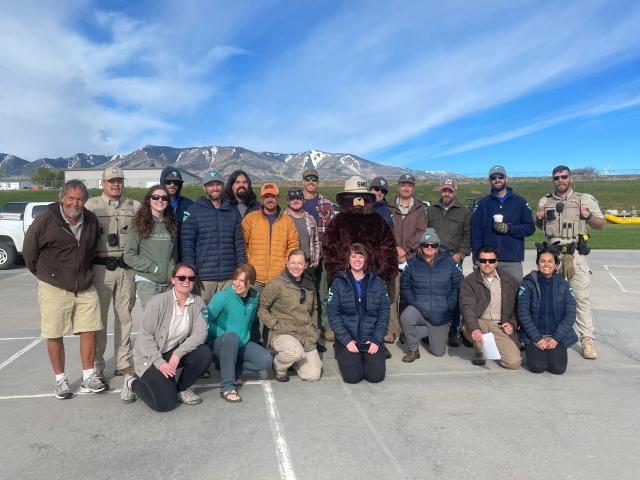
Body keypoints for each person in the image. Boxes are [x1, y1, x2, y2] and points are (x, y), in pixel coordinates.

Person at [23, 180, 106, 398]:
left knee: (90, 329)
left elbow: (92, 249)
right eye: (71, 198)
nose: (75, 203)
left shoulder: (91, 220)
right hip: (53, 286)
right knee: (54, 332)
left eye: (80, 199)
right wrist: (47, 276)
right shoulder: (45, 221)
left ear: (85, 200)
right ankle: (60, 381)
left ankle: (89, 376)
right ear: (62, 198)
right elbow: (29, 253)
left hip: (84, 285)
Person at [535, 165, 604, 360]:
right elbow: (538, 225)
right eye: (556, 177)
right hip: (552, 256)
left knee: (581, 299)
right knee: (550, 297)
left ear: (571, 179)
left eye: (564, 177)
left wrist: (588, 216)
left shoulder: (585, 199)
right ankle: (552, 335)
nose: (560, 180)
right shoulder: (545, 201)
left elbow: (601, 224)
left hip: (576, 256)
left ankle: (587, 340)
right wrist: (537, 217)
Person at [120, 263, 212, 410]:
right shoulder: (158, 302)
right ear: (173, 280)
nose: (186, 281)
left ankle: (182, 389)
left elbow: (201, 333)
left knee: (204, 353)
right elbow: (145, 336)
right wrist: (159, 362)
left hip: (171, 353)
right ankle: (132, 383)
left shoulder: (197, 302)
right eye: (181, 277)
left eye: (191, 278)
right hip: (149, 357)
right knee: (165, 404)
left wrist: (177, 355)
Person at [85, 166, 140, 382]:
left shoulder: (134, 206)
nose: (116, 184)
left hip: (126, 268)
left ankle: (123, 362)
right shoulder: (91, 206)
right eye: (112, 181)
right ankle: (98, 365)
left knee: (124, 317)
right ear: (103, 183)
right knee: (98, 319)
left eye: (119, 181)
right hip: (100, 268)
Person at [206, 264, 272, 403]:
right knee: (232, 338)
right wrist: (224, 334)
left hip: (241, 342)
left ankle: (231, 369)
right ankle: (227, 387)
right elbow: (205, 321)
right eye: (235, 279)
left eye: (241, 281)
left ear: (251, 284)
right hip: (219, 343)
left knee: (265, 360)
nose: (236, 283)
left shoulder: (254, 298)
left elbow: (252, 322)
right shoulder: (222, 296)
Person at [243, 182, 299, 344]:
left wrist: (286, 266)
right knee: (251, 312)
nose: (270, 199)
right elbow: (242, 243)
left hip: (277, 277)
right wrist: (249, 265)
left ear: (277, 197)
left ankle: (270, 343)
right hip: (255, 277)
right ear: (262, 198)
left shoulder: (287, 221)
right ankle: (253, 342)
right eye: (267, 196)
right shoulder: (250, 219)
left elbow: (293, 245)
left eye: (273, 196)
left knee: (274, 313)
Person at [181, 170, 247, 304]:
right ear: (204, 187)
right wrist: (192, 273)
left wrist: (241, 271)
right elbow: (187, 247)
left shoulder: (232, 211)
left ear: (222, 187)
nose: (215, 188)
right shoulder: (194, 211)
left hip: (229, 277)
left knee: (225, 316)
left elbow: (239, 244)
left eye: (218, 184)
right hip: (204, 279)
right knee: (202, 317)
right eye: (211, 185)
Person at [328, 244, 389, 383]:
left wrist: (376, 339)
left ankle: (367, 356)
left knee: (375, 377)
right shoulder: (338, 282)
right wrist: (346, 340)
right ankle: (346, 353)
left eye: (361, 256)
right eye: (353, 256)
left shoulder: (377, 282)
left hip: (370, 337)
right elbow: (333, 314)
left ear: (366, 260)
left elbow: (384, 312)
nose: (357, 260)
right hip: (348, 338)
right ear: (348, 259)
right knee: (353, 378)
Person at [400, 228, 463, 362]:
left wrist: (450, 304)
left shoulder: (449, 262)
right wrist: (413, 301)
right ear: (421, 246)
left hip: (441, 312)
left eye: (433, 245)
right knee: (406, 317)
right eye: (425, 245)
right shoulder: (413, 263)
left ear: (437, 247)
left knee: (438, 352)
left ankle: (423, 332)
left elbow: (458, 285)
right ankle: (413, 350)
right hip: (420, 307)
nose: (429, 247)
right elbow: (404, 285)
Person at [259, 250, 321, 382]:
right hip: (283, 332)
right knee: (294, 353)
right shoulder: (276, 284)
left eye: (300, 263)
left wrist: (314, 329)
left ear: (306, 265)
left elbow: (314, 309)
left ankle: (292, 360)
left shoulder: (310, 284)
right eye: (292, 263)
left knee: (313, 375)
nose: (296, 266)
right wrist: (274, 324)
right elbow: (262, 308)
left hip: (305, 334)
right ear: (286, 263)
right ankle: (279, 366)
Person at [517, 244, 577, 374]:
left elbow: (571, 314)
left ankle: (553, 349)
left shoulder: (563, 284)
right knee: (538, 367)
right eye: (542, 261)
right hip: (534, 336)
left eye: (550, 261)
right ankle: (533, 349)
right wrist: (537, 338)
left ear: (556, 265)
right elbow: (523, 313)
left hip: (556, 335)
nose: (546, 265)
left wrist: (556, 338)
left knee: (558, 369)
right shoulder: (528, 283)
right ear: (538, 263)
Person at [459, 245, 521, 369]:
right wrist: (474, 327)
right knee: (471, 328)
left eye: (491, 261)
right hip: (479, 323)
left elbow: (518, 308)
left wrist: (513, 324)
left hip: (500, 326)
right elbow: (467, 308)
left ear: (496, 261)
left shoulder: (510, 281)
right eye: (483, 261)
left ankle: (492, 348)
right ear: (478, 261)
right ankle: (479, 350)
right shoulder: (469, 282)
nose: (487, 264)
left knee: (513, 363)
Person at [426, 178, 472, 346]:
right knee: (432, 295)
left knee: (454, 296)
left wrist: (460, 254)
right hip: (434, 259)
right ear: (440, 190)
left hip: (453, 259)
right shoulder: (431, 210)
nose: (447, 193)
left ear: (455, 192)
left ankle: (453, 332)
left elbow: (468, 236)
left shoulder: (465, 212)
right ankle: (430, 330)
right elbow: (426, 234)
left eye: (450, 190)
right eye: (444, 190)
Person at [471, 165, 535, 282]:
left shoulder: (520, 202)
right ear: (490, 180)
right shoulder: (482, 204)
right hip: (487, 259)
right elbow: (475, 232)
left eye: (500, 177)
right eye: (493, 177)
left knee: (515, 296)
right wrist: (476, 257)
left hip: (512, 259)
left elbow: (530, 228)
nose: (497, 180)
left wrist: (509, 228)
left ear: (506, 178)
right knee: (486, 296)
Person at [123, 185, 177, 308]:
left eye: (164, 198)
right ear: (149, 200)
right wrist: (153, 268)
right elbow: (129, 255)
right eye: (156, 197)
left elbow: (174, 254)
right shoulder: (138, 224)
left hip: (168, 283)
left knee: (168, 321)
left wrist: (172, 271)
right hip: (148, 282)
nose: (160, 200)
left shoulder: (172, 224)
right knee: (153, 321)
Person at [301, 167, 336, 342]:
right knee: (303, 293)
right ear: (303, 181)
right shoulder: (296, 201)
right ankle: (305, 326)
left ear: (318, 182)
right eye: (308, 179)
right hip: (301, 256)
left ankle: (324, 326)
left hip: (321, 254)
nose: (311, 182)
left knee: (322, 293)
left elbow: (331, 231)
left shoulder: (326, 204)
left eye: (314, 179)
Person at [369, 176, 399, 345]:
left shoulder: (388, 211)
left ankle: (389, 329)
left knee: (386, 296)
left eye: (382, 190)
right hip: (365, 260)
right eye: (376, 189)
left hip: (382, 260)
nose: (379, 193)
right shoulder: (363, 208)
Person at [285, 187, 320, 269]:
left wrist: (316, 260)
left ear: (304, 201)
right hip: (290, 264)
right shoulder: (282, 219)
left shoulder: (310, 218)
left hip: (308, 263)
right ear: (288, 202)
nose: (296, 201)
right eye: (292, 199)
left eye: (299, 198)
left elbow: (316, 241)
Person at [159, 167, 193, 235]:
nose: (172, 185)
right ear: (162, 182)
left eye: (176, 182)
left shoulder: (189, 205)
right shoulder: (155, 203)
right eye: (168, 182)